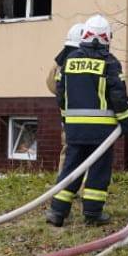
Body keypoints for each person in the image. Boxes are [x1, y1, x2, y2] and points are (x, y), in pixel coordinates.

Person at [45, 14, 128, 227]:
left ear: (85, 35)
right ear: (107, 38)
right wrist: (127, 122)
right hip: (101, 132)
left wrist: (67, 120)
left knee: (71, 169)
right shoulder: (109, 63)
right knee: (99, 171)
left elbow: (61, 93)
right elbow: (118, 97)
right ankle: (92, 213)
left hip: (75, 130)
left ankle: (57, 212)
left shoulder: (70, 61)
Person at [45, 22, 84, 170]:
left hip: (67, 116)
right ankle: (81, 187)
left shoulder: (60, 62)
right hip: (86, 117)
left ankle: (63, 187)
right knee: (86, 151)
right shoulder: (83, 60)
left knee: (68, 151)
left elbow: (51, 84)